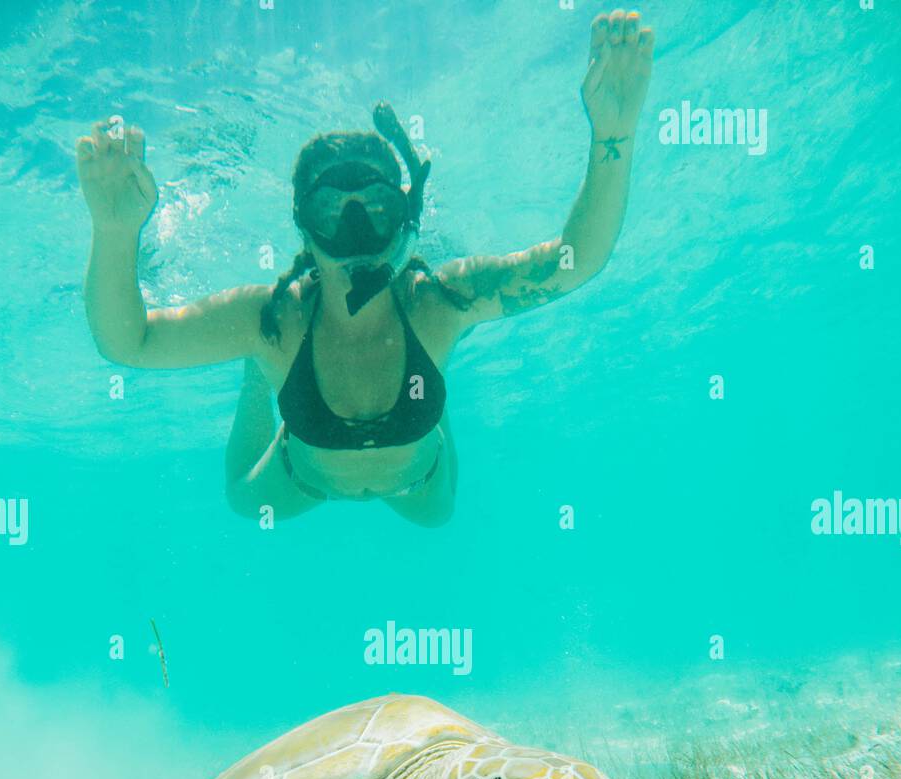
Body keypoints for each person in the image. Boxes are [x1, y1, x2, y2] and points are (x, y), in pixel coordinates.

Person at [78, 9, 654, 527]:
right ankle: (263, 376)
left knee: (441, 518)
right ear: (304, 227)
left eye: (375, 209)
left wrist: (615, 134)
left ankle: (429, 388)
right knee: (242, 502)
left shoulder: (438, 303)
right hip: (301, 479)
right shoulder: (274, 321)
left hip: (418, 483)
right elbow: (129, 342)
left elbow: (574, 262)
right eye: (333, 210)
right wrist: (114, 231)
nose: (354, 233)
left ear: (405, 218)